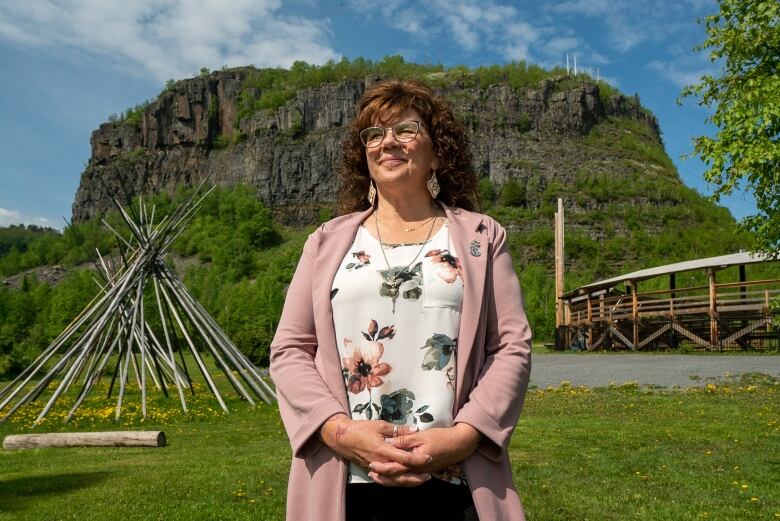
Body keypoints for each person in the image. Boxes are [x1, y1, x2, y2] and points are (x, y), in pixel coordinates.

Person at [270, 79, 532, 521]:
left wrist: (464, 436)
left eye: (405, 130)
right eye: (374, 134)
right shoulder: (326, 242)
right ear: (364, 156)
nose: (387, 141)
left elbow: (510, 346)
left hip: (454, 477)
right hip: (347, 480)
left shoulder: (482, 237)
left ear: (436, 152)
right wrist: (339, 430)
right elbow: (290, 349)